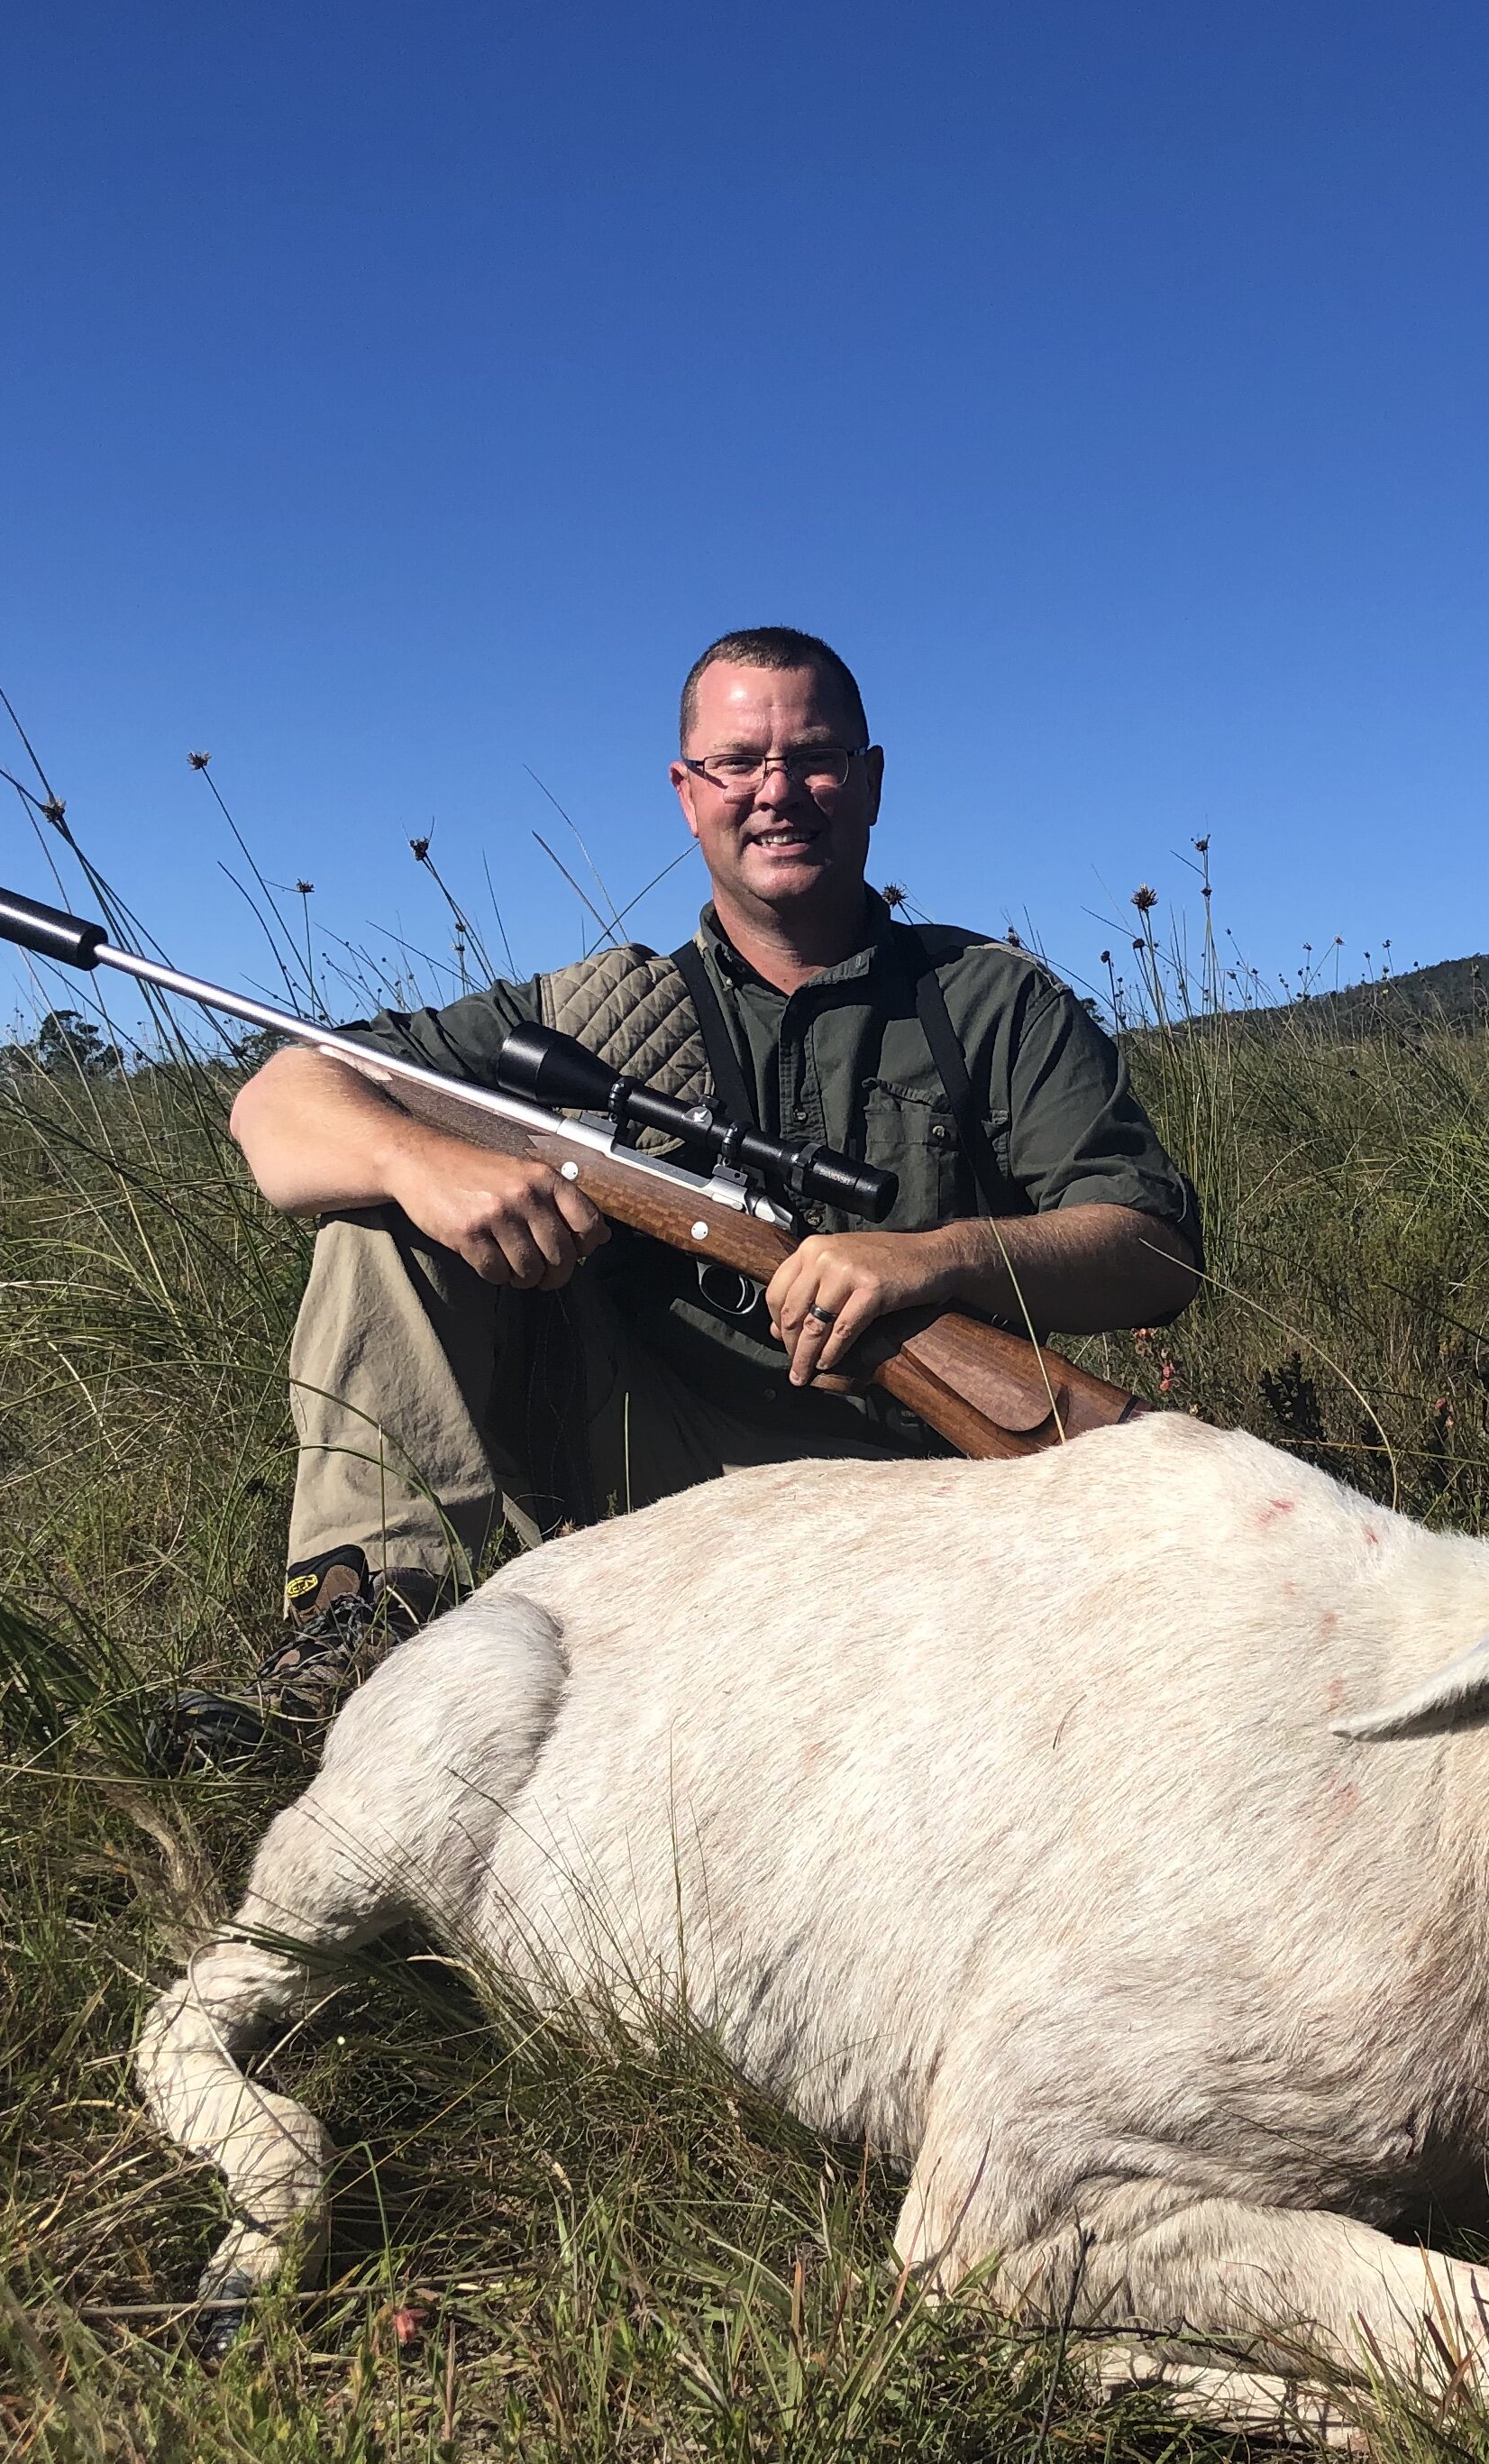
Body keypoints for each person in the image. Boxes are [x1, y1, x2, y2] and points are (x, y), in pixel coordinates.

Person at [183, 626, 1203, 1743]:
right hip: (636, 1470)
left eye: (813, 758)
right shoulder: (594, 1013)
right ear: (687, 791)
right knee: (382, 1216)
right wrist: (423, 1164)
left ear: (868, 783)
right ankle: (357, 1634)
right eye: (737, 763)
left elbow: (1151, 1245)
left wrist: (929, 1259)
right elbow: (278, 1101)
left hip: (919, 1505)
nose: (778, 794)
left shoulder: (993, 1002)